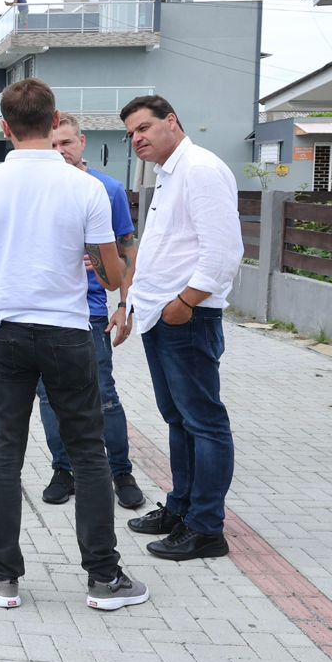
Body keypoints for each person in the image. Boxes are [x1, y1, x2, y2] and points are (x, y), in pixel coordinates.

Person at [0, 79, 147, 612]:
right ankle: (104, 579)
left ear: (5, 128)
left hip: (6, 332)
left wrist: (7, 264)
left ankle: (3, 576)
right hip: (68, 332)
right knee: (87, 452)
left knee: (4, 455)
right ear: (54, 118)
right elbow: (111, 277)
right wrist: (106, 264)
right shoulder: (84, 188)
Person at [117, 95, 244, 562]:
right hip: (161, 317)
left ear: (172, 121)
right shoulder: (170, 173)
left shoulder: (201, 170)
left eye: (145, 127)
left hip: (186, 317)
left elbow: (225, 252)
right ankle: (182, 508)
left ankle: (207, 528)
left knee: (205, 424)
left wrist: (185, 302)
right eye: (132, 133)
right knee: (180, 420)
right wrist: (136, 303)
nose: (138, 139)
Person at [36, 113, 145, 511]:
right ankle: (63, 469)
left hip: (92, 310)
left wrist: (123, 304)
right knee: (49, 397)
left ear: (81, 142)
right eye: (52, 145)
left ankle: (121, 471)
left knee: (104, 396)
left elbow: (127, 249)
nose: (60, 151)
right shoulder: (39, 189)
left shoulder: (108, 188)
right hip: (45, 312)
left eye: (66, 143)